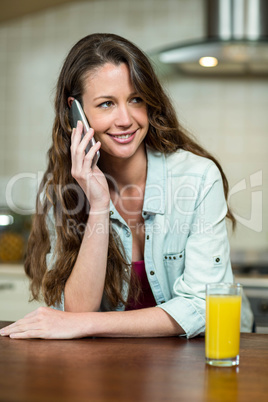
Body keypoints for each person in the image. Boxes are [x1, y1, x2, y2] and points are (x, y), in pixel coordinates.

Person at [0, 33, 253, 340]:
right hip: (120, 367)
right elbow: (75, 312)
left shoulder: (197, 177)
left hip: (211, 354)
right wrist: (98, 205)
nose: (126, 119)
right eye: (106, 104)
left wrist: (91, 324)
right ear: (76, 112)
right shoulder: (63, 190)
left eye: (135, 99)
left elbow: (202, 306)